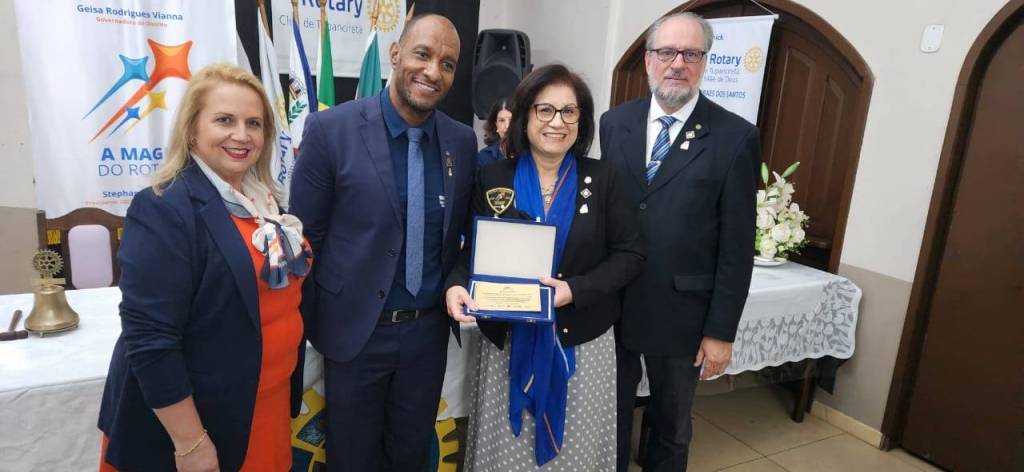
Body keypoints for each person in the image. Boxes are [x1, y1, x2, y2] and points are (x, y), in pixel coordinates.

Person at [97, 63, 311, 471]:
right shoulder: (164, 207)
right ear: (192, 130)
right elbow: (150, 339)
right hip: (196, 424)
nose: (242, 135)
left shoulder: (267, 205)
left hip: (263, 407)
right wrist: (190, 443)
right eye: (225, 120)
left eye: (253, 123)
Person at [288, 14, 477, 471]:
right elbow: (306, 241)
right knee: (352, 460)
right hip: (355, 334)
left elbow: (466, 238)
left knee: (410, 459)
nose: (433, 71)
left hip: (427, 336)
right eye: (422, 54)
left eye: (447, 64)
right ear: (395, 54)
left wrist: (456, 281)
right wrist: (306, 328)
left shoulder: (461, 142)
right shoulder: (330, 130)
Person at [446, 64, 645, 471]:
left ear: (581, 120)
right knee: (508, 453)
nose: (557, 122)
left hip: (581, 343)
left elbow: (630, 255)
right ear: (525, 115)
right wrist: (456, 284)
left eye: (569, 111)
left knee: (576, 452)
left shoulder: (604, 179)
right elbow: (472, 250)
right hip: (509, 341)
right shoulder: (492, 177)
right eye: (545, 110)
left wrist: (575, 289)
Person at [599, 12, 761, 472]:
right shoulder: (614, 123)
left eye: (691, 54)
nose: (677, 64)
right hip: (614, 305)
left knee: (671, 427)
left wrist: (720, 332)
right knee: (609, 415)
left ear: (705, 62)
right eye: (667, 52)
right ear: (648, 60)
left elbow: (737, 247)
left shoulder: (735, 137)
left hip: (683, 314)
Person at [477, 97, 512, 166]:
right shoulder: (485, 157)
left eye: (512, 120)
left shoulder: (530, 154)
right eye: (502, 120)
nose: (507, 126)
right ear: (495, 125)